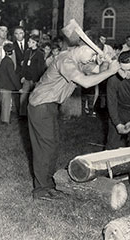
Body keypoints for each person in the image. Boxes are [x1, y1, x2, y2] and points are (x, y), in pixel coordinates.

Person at [28, 43, 119, 200]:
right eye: (91, 55)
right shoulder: (66, 60)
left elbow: (97, 72)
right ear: (83, 48)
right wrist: (111, 71)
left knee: (53, 145)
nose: (91, 59)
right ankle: (40, 190)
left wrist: (103, 61)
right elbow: (86, 82)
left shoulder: (79, 62)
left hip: (49, 106)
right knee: (45, 147)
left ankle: (48, 185)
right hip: (41, 105)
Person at [20, 34, 45, 117]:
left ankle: (33, 115)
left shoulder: (40, 54)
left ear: (35, 43)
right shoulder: (27, 52)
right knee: (23, 97)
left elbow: (40, 68)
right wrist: (23, 76)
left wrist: (38, 80)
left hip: (35, 79)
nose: (28, 42)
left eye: (30, 41)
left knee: (34, 98)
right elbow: (24, 66)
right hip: (27, 78)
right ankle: (23, 115)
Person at [0, 43, 22, 125]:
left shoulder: (4, 60)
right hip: (6, 86)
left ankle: (4, 119)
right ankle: (5, 121)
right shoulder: (9, 62)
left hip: (2, 85)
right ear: (13, 51)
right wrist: (18, 87)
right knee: (6, 104)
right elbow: (12, 76)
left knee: (4, 103)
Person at [13, 26, 28, 114]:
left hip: (29, 72)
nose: (19, 35)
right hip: (18, 72)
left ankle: (27, 111)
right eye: (16, 33)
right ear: (14, 35)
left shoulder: (29, 44)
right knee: (19, 91)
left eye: (21, 33)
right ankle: (20, 112)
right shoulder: (13, 45)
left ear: (24, 33)